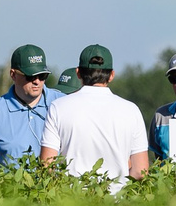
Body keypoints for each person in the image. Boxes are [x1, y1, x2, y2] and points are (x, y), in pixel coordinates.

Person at [41, 44, 150, 190]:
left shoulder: (58, 107)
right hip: (117, 205)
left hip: (71, 204)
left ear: (78, 73)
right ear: (111, 75)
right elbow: (140, 171)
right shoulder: (131, 110)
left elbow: (47, 165)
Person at [0, 44, 64, 169]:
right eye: (30, 76)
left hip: (58, 188)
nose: (37, 81)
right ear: (13, 74)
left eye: (42, 76)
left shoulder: (62, 103)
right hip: (11, 188)